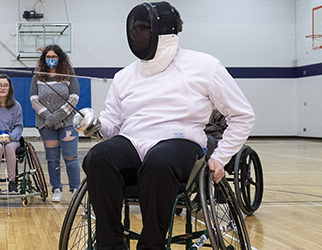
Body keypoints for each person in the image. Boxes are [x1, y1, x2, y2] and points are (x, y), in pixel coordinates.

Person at [74, 2, 255, 249]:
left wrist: (221, 157)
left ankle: (152, 244)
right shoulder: (124, 76)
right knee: (98, 157)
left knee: (159, 160)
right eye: (134, 28)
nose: (136, 33)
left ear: (164, 31)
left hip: (182, 143)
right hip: (132, 142)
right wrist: (94, 125)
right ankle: (110, 244)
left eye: (143, 27)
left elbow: (243, 115)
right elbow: (113, 125)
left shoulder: (204, 66)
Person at [30, 44, 81, 202]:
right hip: (46, 125)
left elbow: (74, 98)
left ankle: (75, 190)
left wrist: (58, 116)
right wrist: (48, 116)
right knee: (52, 158)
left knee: (70, 157)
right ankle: (56, 188)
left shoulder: (69, 75)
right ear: (44, 59)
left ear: (60, 58)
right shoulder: (38, 77)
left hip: (67, 123)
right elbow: (34, 100)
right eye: (48, 57)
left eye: (54, 57)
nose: (51, 60)